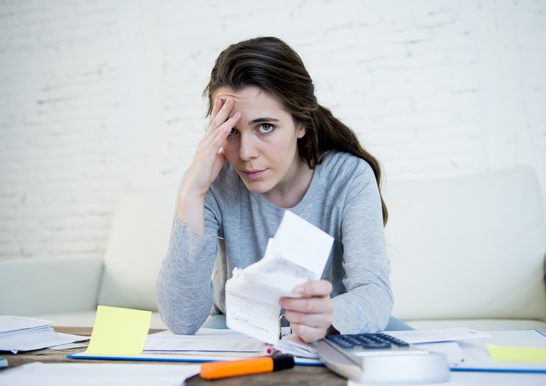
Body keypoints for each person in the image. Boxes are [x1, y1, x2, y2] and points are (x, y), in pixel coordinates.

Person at [157, 36, 394, 343]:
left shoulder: (348, 177)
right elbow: (181, 320)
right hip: (237, 332)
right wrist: (191, 193)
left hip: (327, 335)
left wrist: (329, 316)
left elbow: (375, 295)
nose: (245, 153)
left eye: (265, 127)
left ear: (300, 123)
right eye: (230, 131)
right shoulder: (211, 181)